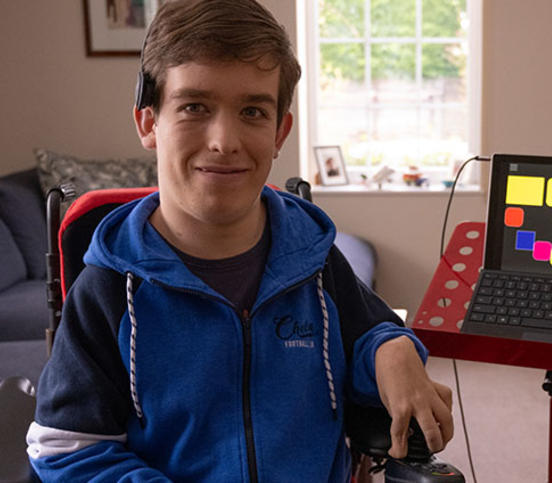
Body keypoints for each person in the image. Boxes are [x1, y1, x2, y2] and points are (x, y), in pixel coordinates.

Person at [26, 1, 454, 481]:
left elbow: (368, 334)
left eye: (252, 110)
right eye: (194, 107)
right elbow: (65, 448)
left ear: (279, 131)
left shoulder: (314, 262)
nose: (224, 140)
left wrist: (393, 351)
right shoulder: (106, 291)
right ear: (149, 122)